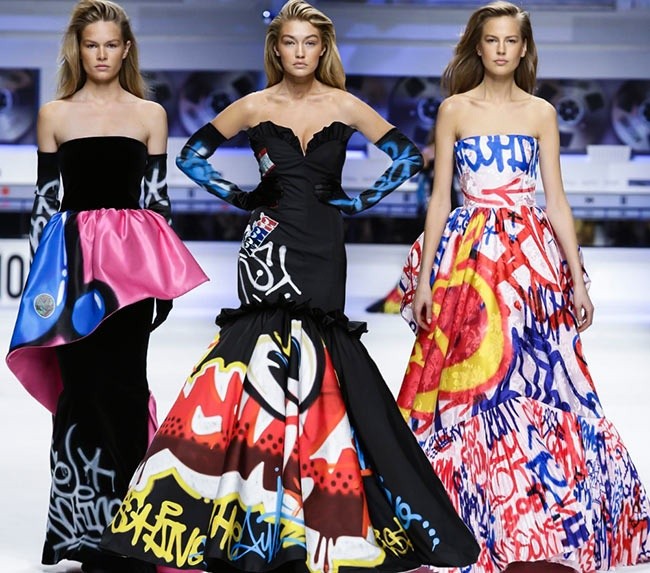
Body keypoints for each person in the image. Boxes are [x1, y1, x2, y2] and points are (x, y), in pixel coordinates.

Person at [100, 1, 480, 572]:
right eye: (290, 42)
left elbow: (406, 158)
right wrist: (243, 198)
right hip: (267, 245)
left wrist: (357, 203)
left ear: (323, 49)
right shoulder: (255, 105)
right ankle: (256, 515)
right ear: (275, 48)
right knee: (258, 363)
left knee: (321, 361)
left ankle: (303, 516)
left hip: (323, 245)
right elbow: (191, 156)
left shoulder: (345, 105)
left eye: (310, 42)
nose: (300, 52)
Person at [396, 2, 650, 572]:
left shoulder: (541, 113)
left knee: (542, 381)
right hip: (469, 263)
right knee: (469, 387)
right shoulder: (454, 110)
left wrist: (577, 279)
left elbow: (555, 199)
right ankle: (469, 521)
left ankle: (535, 525)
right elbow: (439, 200)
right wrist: (425, 278)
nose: (502, 50)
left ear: (524, 48)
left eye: (511, 40)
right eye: (492, 40)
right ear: (478, 46)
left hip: (529, 263)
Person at [5, 1, 208, 572]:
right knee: (77, 394)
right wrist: (39, 289)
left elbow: (158, 205)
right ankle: (79, 535)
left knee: (124, 391)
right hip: (71, 273)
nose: (101, 54)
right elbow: (45, 207)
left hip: (130, 277)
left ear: (126, 50)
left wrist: (161, 284)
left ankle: (130, 533)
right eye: (91, 44)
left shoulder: (150, 115)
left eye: (110, 44)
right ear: (79, 48)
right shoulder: (54, 115)